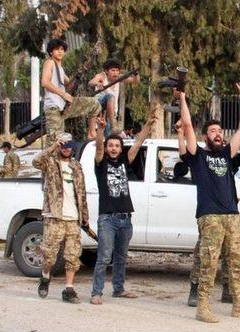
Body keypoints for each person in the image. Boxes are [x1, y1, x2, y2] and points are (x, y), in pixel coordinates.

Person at [177, 84, 240, 323]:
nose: (218, 133)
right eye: (213, 131)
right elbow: (187, 125)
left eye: (219, 130)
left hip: (231, 215)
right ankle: (203, 306)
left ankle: (239, 304)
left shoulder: (226, 154)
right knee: (209, 261)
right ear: (205, 137)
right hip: (210, 216)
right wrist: (183, 98)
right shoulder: (198, 156)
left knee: (236, 260)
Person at [89, 112, 155, 305]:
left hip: (125, 218)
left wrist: (148, 125)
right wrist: (101, 130)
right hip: (108, 218)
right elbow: (99, 148)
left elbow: (137, 143)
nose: (114, 148)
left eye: (117, 146)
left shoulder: (125, 161)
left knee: (121, 257)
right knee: (104, 257)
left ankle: (118, 289)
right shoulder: (101, 164)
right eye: (111, 145)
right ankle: (96, 293)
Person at [32, 133, 88, 304]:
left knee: (72, 256)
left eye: (69, 144)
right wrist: (54, 146)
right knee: (49, 255)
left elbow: (82, 192)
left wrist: (84, 216)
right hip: (54, 216)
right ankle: (45, 276)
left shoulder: (76, 166)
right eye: (63, 144)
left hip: (73, 218)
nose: (66, 148)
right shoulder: (50, 162)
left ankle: (69, 289)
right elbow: (36, 161)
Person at [41, 39, 101, 145]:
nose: (60, 51)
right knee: (55, 143)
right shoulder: (49, 62)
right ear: (51, 52)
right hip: (53, 108)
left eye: (62, 49)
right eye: (56, 49)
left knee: (94, 104)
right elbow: (45, 82)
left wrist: (84, 69)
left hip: (64, 107)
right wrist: (63, 94)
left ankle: (92, 132)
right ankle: (48, 161)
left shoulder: (60, 69)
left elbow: (69, 83)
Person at [88, 59, 140, 136]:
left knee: (108, 138)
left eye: (117, 70)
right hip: (99, 108)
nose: (115, 73)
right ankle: (113, 125)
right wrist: (98, 83)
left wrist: (136, 73)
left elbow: (135, 81)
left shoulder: (119, 78)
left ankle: (112, 125)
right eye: (112, 70)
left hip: (111, 115)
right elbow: (91, 82)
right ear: (106, 71)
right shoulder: (102, 76)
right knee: (110, 97)